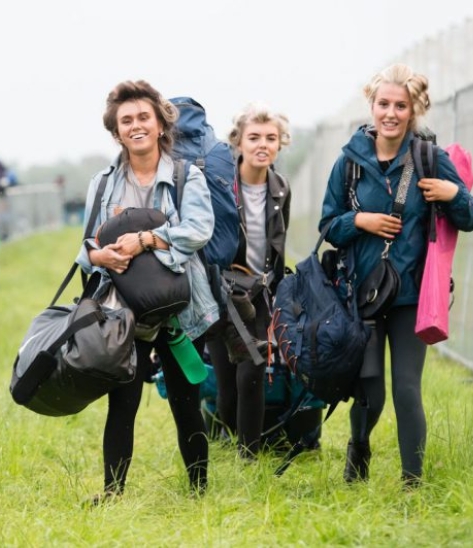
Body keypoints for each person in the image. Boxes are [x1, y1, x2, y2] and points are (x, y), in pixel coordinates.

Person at [319, 63, 473, 488]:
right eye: (383, 104)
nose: (390, 113)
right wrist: (361, 221)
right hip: (362, 297)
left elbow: (471, 217)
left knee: (407, 390)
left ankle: (413, 483)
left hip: (411, 297)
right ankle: (359, 449)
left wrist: (454, 194)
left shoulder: (429, 158)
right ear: (371, 107)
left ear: (413, 111)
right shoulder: (349, 162)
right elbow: (327, 225)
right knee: (370, 393)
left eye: (400, 106)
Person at [76, 80, 219, 503]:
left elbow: (198, 230)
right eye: (126, 120)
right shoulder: (101, 184)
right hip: (124, 315)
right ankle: (112, 494)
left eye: (143, 117)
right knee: (122, 405)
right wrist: (98, 257)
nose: (136, 126)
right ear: (116, 131)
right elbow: (86, 247)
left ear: (160, 125)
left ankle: (198, 493)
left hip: (180, 310)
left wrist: (145, 240)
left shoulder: (185, 175)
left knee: (185, 403)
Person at [204, 103, 292, 459]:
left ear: (279, 144)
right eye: (254, 137)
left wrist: (277, 290)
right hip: (222, 289)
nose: (262, 145)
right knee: (227, 383)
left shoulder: (281, 188)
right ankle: (228, 432)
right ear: (238, 143)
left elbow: (277, 245)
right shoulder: (221, 186)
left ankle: (249, 455)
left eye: (271, 138)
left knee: (253, 367)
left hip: (258, 293)